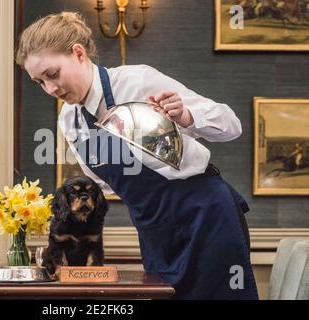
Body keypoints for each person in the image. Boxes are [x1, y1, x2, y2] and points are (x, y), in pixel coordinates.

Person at [15, 12, 258, 300]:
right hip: (154, 231)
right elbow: (105, 184)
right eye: (40, 82)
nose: (51, 89)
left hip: (204, 216)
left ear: (78, 53)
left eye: (53, 74)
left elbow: (231, 125)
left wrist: (186, 115)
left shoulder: (136, 81)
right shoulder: (70, 120)